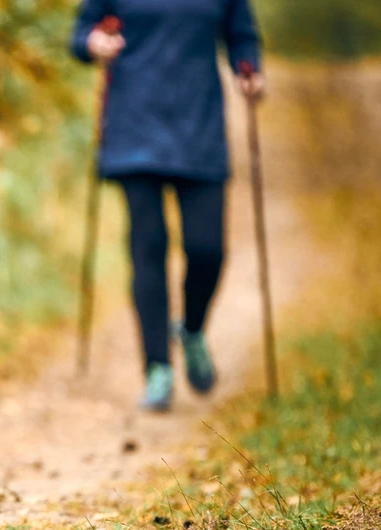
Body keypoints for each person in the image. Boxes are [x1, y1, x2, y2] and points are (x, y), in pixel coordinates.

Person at [70, 0, 265, 411]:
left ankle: (191, 329)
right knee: (149, 247)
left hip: (201, 128)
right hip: (134, 127)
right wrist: (94, 42)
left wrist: (250, 68)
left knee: (207, 250)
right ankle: (157, 368)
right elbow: (81, 34)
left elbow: (242, 36)